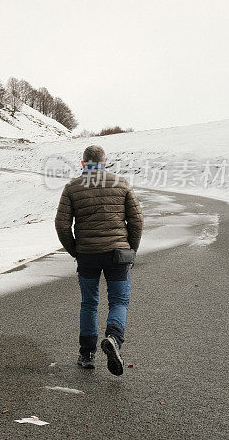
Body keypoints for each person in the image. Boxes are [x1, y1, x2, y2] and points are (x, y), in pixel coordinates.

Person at [54, 145, 143, 375]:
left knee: (89, 303)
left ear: (83, 163)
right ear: (105, 162)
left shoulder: (72, 187)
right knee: (119, 301)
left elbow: (62, 225)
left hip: (87, 254)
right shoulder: (120, 183)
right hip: (118, 254)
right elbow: (136, 221)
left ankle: (86, 355)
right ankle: (113, 338)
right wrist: (131, 249)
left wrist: (76, 250)